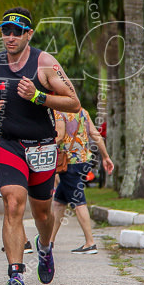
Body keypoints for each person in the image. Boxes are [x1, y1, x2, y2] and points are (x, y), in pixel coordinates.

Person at [0, 7, 80, 285]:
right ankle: (15, 275)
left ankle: (46, 246)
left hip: (42, 145)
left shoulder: (45, 64)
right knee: (13, 204)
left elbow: (74, 103)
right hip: (9, 144)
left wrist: (38, 97)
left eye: (17, 31)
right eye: (5, 30)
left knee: (42, 213)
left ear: (29, 34)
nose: (10, 37)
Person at [49, 108, 114, 254]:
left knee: (78, 202)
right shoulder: (82, 111)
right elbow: (95, 134)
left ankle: (90, 243)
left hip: (69, 162)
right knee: (59, 202)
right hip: (83, 160)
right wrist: (105, 156)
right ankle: (49, 241)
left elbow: (58, 136)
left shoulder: (59, 112)